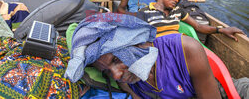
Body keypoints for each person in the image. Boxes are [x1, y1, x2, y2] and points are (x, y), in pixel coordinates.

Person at [65, 13, 221, 98]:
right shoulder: (124, 81)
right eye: (107, 72)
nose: (117, 75)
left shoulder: (186, 49)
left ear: (138, 43)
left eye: (116, 59)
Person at [137, 0, 245, 40]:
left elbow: (199, 27)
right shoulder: (144, 13)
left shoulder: (178, 11)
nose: (176, 0)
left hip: (177, 47)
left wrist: (221, 30)